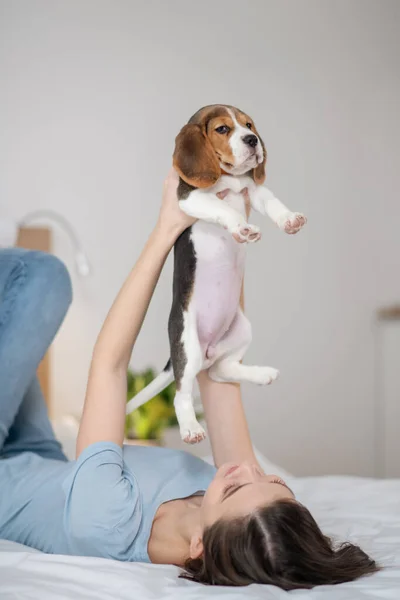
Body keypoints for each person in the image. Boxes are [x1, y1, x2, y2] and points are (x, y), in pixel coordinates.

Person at [0, 170, 378, 589]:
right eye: (275, 481)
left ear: (198, 545)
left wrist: (167, 228)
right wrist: (235, 229)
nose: (247, 470)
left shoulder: (107, 517)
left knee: (40, 276)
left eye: (237, 488)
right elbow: (217, 364)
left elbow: (109, 365)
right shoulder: (237, 503)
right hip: (39, 457)